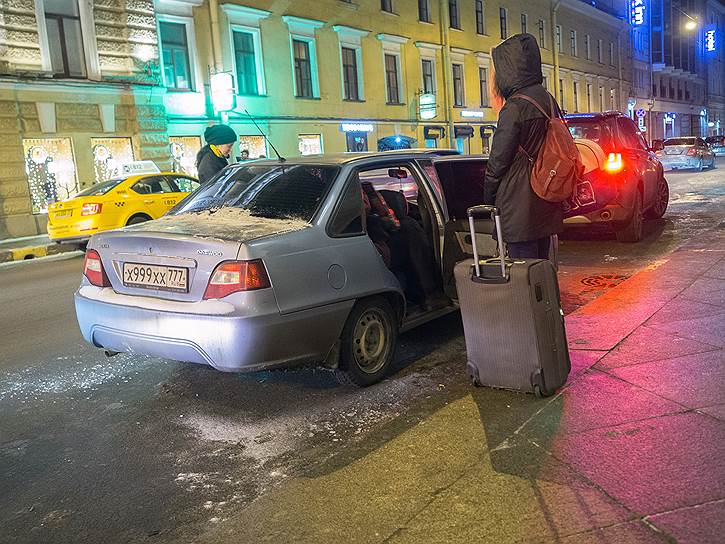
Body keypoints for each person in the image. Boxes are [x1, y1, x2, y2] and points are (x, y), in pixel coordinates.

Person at [483, 34, 564, 259]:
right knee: (542, 270)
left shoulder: (515, 107)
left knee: (522, 278)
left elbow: (498, 161)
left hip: (519, 206)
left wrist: (489, 198)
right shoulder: (547, 99)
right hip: (545, 198)